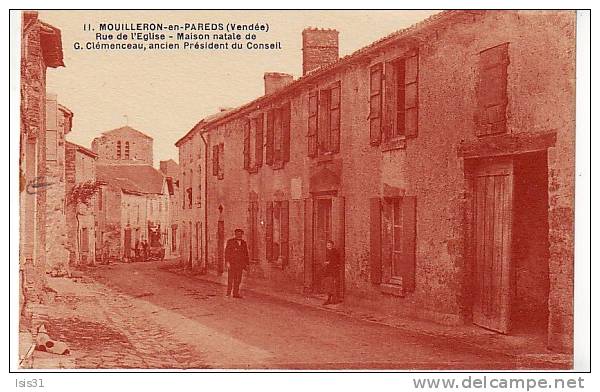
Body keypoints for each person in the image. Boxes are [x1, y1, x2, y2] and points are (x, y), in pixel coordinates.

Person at [224, 228, 250, 298]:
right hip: (232, 263)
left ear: (242, 235)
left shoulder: (244, 243)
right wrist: (227, 262)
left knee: (238, 279)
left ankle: (235, 293)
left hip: (240, 264)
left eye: (240, 234)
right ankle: (228, 293)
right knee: (230, 279)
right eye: (237, 234)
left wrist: (247, 263)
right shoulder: (230, 242)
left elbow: (246, 254)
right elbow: (227, 252)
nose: (239, 235)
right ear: (235, 234)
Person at [323, 240, 342, 305]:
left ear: (332, 245)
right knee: (328, 285)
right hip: (328, 271)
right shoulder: (327, 252)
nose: (329, 246)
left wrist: (329, 262)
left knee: (333, 285)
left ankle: (334, 300)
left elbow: (337, 261)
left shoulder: (335, 252)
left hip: (333, 271)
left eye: (330, 245)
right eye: (328, 245)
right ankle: (328, 299)